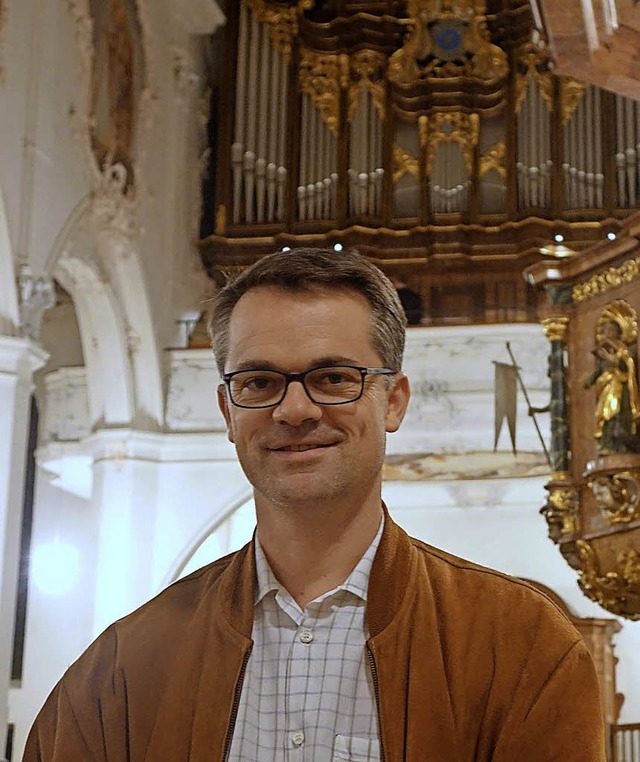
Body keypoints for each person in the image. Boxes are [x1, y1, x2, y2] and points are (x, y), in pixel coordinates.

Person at [24, 247, 606, 761]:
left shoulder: (523, 643)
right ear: (229, 413)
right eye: (258, 382)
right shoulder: (120, 668)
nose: (295, 410)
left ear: (394, 402)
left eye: (333, 377)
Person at [585, 318, 640, 453]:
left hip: (621, 390)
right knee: (604, 414)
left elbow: (627, 366)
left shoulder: (623, 350)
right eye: (606, 330)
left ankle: (620, 442)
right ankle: (606, 442)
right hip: (606, 389)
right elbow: (599, 370)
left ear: (619, 332)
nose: (608, 333)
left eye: (612, 330)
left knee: (617, 413)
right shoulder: (604, 352)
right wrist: (588, 381)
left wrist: (611, 358)